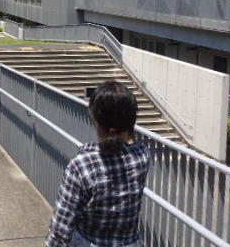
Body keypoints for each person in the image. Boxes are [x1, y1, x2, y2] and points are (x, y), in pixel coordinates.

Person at [46, 81, 151, 247]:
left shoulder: (81, 165)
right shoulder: (142, 156)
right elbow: (129, 144)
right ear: (131, 121)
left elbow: (60, 231)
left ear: (95, 118)